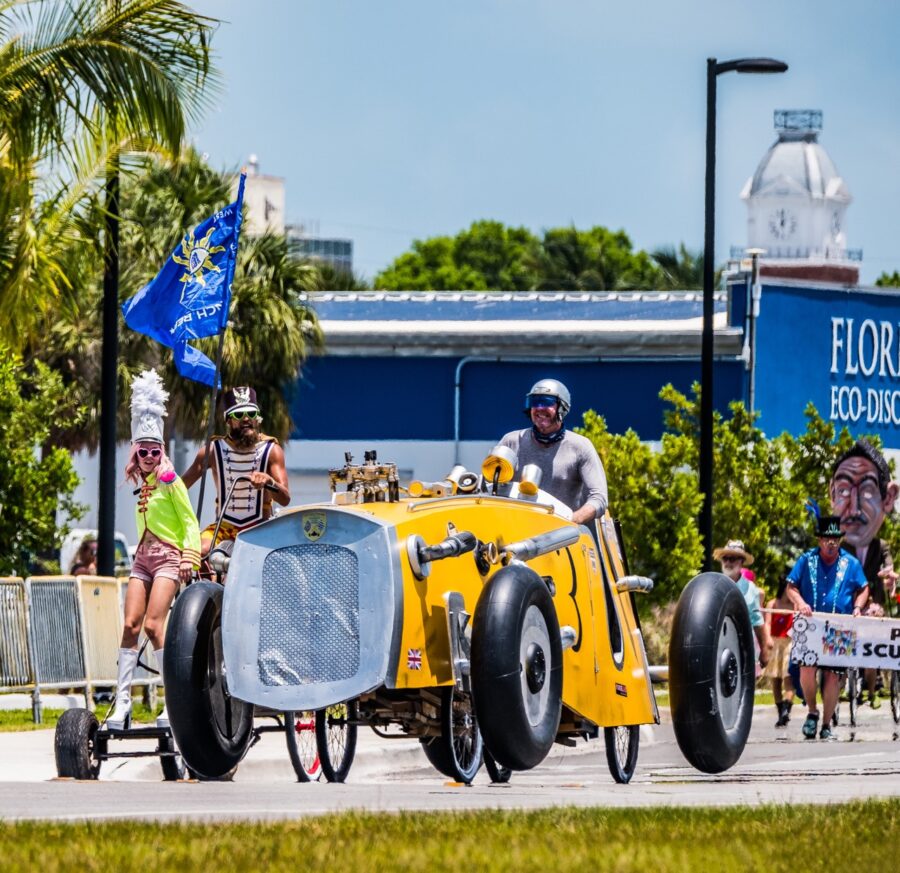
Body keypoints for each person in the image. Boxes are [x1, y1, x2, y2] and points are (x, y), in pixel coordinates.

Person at [107, 370, 201, 730]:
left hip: (168, 558)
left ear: (162, 451)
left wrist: (190, 554)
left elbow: (190, 521)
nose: (148, 456)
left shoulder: (170, 480)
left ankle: (170, 703)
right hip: (142, 559)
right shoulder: (143, 480)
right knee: (130, 625)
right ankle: (123, 703)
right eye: (142, 450)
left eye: (154, 450)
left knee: (153, 625)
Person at [181, 386, 290, 559]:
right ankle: (209, 586)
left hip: (259, 527)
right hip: (223, 528)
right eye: (239, 415)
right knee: (197, 552)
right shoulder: (212, 450)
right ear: (228, 421)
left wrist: (269, 482)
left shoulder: (272, 450)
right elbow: (181, 486)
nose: (246, 418)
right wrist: (159, 481)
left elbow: (285, 499)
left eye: (251, 414)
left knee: (279, 559)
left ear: (258, 419)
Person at [785, 515, 869, 741]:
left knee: (833, 676)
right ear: (820, 540)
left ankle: (826, 725)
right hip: (811, 623)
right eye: (827, 539)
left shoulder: (851, 563)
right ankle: (812, 712)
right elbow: (791, 587)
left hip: (840, 626)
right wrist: (800, 603)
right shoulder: (806, 560)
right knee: (806, 669)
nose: (832, 543)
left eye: (835, 538)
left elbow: (863, 588)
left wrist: (858, 607)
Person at [830, 439, 899, 708]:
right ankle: (845, 686)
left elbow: (889, 565)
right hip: (848, 608)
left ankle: (871, 691)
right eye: (844, 490)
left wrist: (891, 576)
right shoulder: (839, 547)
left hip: (875, 607)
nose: (854, 508)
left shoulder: (881, 546)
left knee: (871, 653)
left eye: (868, 490)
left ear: (888, 498)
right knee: (842, 649)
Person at [498, 379, 607, 524]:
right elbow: (489, 487)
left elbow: (599, 498)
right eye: (535, 402)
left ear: (562, 408)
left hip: (562, 537)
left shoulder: (581, 446)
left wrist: (571, 521)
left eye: (547, 402)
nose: (540, 408)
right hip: (514, 531)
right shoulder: (510, 441)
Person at [712, 539, 771, 671]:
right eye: (725, 558)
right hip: (717, 644)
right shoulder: (713, 585)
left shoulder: (750, 589)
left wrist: (764, 649)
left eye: (732, 559)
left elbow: (757, 622)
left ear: (741, 562)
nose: (728, 562)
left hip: (742, 645)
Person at [763, 572, 795, 727]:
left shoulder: (794, 606)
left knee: (789, 678)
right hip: (775, 643)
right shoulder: (772, 604)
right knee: (775, 679)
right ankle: (780, 709)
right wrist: (767, 638)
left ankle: (787, 709)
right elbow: (767, 623)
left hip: (789, 643)